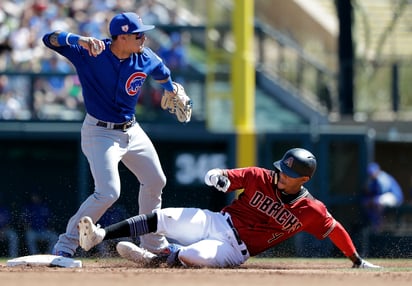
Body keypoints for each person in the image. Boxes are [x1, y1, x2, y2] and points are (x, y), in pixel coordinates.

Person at [77, 148, 380, 269]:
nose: (280, 174)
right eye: (281, 168)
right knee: (163, 217)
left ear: (303, 178)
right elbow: (225, 175)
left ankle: (158, 258)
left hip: (237, 250)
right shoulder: (261, 176)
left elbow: (335, 229)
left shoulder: (310, 209)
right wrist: (216, 177)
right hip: (217, 222)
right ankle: (100, 235)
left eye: (288, 173)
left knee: (191, 255)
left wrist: (355, 259)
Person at [42, 11, 185, 257]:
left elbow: (163, 73)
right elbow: (49, 39)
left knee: (155, 180)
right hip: (100, 133)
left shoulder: (145, 57)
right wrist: (78, 39)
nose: (144, 39)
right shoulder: (90, 52)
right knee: (108, 192)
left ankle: (153, 245)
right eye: (139, 34)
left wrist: (171, 90)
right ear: (122, 37)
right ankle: (65, 245)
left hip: (132, 130)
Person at [362, 162, 404, 231]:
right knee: (367, 202)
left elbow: (382, 192)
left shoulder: (382, 178)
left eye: (373, 172)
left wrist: (372, 198)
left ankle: (380, 224)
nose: (372, 174)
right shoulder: (371, 180)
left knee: (377, 201)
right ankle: (374, 224)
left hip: (395, 197)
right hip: (383, 197)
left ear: (377, 170)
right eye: (370, 173)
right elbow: (370, 193)